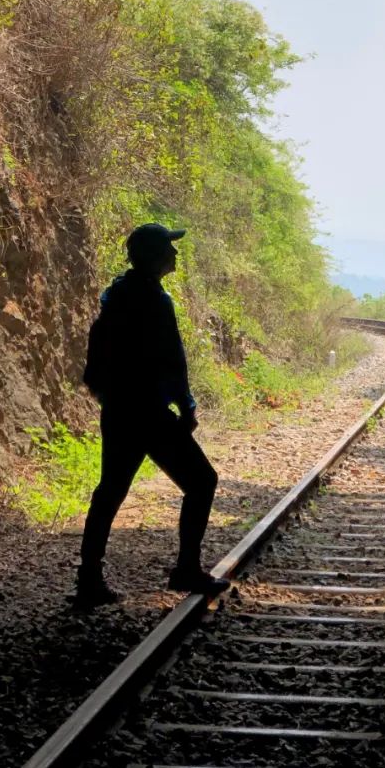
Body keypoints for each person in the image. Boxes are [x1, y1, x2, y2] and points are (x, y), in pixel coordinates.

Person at [75, 222, 230, 609]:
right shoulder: (155, 301)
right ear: (156, 255)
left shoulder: (117, 295)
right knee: (202, 481)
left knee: (109, 491)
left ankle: (89, 578)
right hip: (148, 411)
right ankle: (187, 569)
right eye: (169, 248)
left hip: (118, 409)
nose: (175, 254)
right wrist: (186, 405)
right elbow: (171, 359)